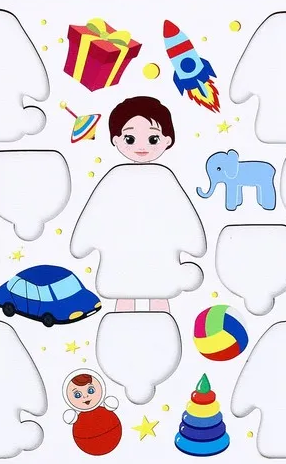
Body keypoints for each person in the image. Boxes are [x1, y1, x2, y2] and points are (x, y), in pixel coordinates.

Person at [70, 96, 206, 312]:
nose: (141, 147)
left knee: (160, 295)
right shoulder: (115, 178)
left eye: (153, 139)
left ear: (167, 140)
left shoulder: (163, 178)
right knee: (124, 296)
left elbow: (182, 213)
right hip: (122, 253)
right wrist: (83, 241)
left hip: (158, 251)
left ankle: (163, 328)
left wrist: (193, 242)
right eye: (130, 138)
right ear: (116, 140)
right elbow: (96, 213)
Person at [62, 369, 121, 455]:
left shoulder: (106, 411)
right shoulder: (77, 420)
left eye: (91, 390)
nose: (85, 396)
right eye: (77, 395)